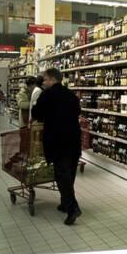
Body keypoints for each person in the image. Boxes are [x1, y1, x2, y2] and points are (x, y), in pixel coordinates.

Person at [32, 68, 82, 225]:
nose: (44, 82)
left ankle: (72, 208)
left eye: (45, 79)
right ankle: (64, 204)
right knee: (70, 174)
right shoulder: (71, 95)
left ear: (52, 79)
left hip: (57, 141)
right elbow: (77, 112)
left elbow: (37, 114)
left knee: (61, 175)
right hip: (74, 140)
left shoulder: (47, 95)